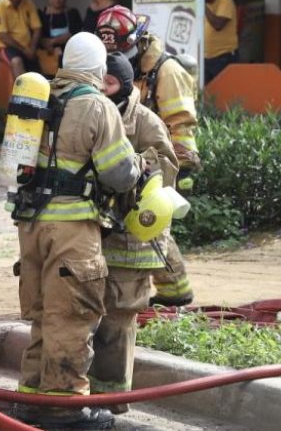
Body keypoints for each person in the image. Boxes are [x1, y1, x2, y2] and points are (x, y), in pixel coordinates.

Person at [10, 32, 140, 430]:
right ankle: (64, 406)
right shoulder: (98, 107)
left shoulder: (39, 96)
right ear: (99, 69)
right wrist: (138, 166)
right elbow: (119, 175)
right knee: (70, 315)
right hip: (71, 227)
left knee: (42, 314)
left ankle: (31, 397)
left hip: (31, 225)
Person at [89, 52, 179, 413]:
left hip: (134, 239)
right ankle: (90, 396)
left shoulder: (145, 122)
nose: (102, 90)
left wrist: (134, 166)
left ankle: (111, 401)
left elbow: (167, 170)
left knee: (118, 319)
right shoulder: (95, 113)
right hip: (99, 235)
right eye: (99, 82)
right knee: (90, 316)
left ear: (124, 86)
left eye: (109, 83)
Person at [96, 6, 199, 307]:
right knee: (144, 223)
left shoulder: (167, 71)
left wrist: (182, 167)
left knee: (152, 223)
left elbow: (181, 122)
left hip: (160, 156)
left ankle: (176, 290)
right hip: (129, 157)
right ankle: (174, 289)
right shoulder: (123, 65)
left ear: (136, 40)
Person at [37, 0, 84, 77]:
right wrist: (48, 45)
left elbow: (75, 33)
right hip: (48, 54)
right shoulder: (42, 15)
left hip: (69, 51)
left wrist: (54, 41)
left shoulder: (72, 13)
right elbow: (39, 36)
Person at [203, 0, 239, 83]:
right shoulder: (207, 4)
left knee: (224, 91)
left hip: (223, 57)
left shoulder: (225, 1)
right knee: (208, 93)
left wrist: (203, 7)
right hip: (206, 57)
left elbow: (218, 25)